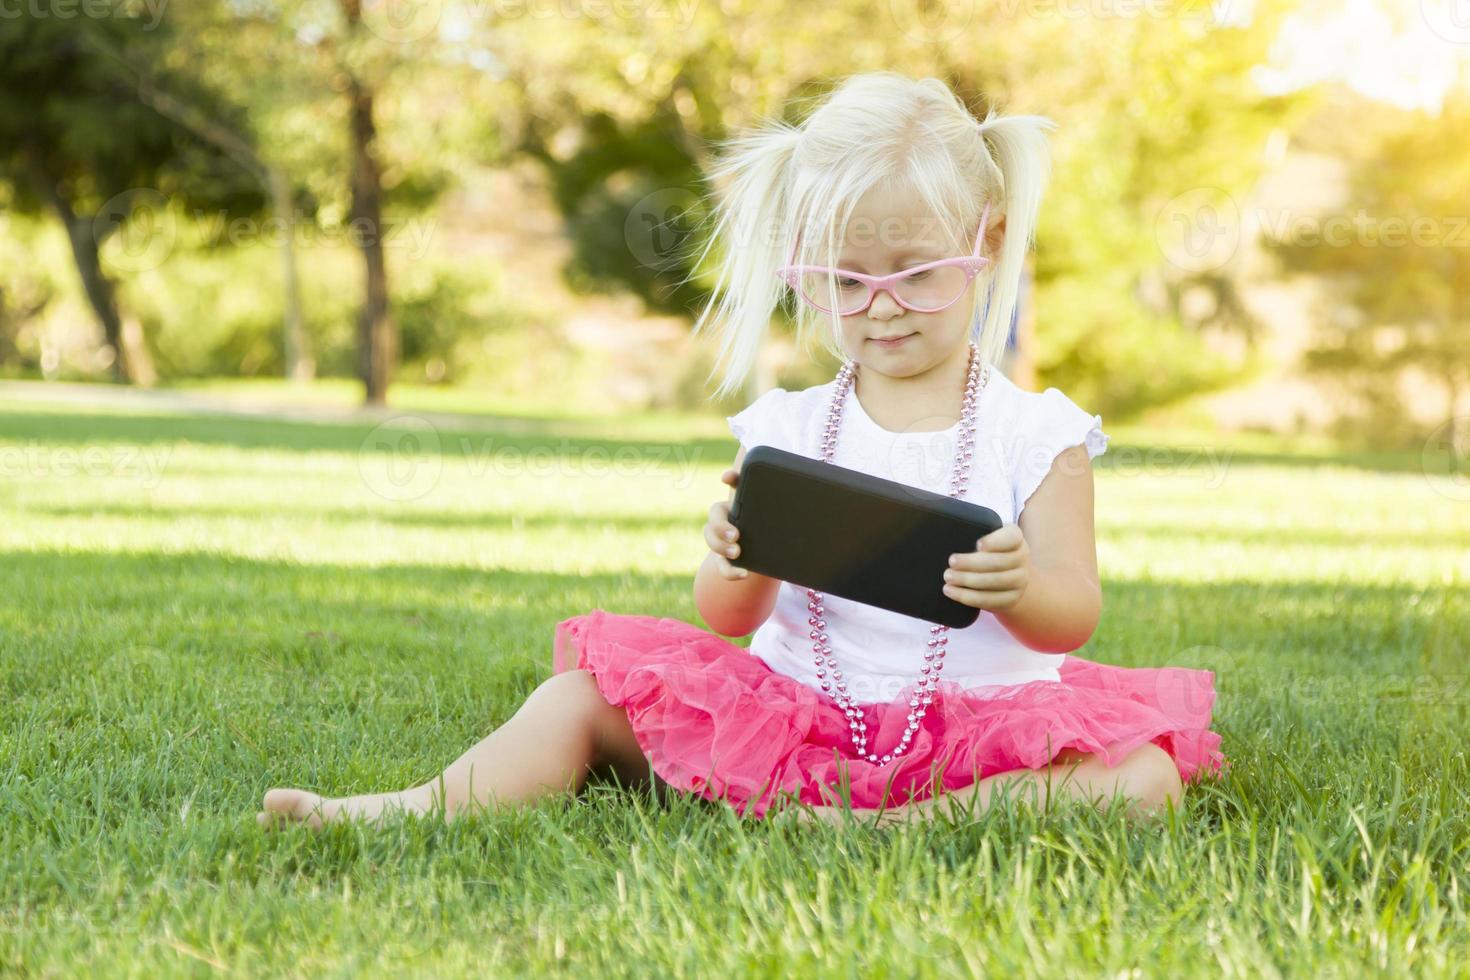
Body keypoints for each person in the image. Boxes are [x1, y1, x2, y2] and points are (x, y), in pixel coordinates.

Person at [258, 71, 1226, 831]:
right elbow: (724, 617)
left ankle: (890, 827)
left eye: (916, 274)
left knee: (1140, 775)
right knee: (577, 696)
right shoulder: (790, 427)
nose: (880, 305)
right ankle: (407, 807)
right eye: (843, 280)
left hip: (978, 727)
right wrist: (735, 555)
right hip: (797, 710)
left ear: (990, 241)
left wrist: (1017, 584)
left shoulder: (1038, 432)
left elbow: (1073, 616)